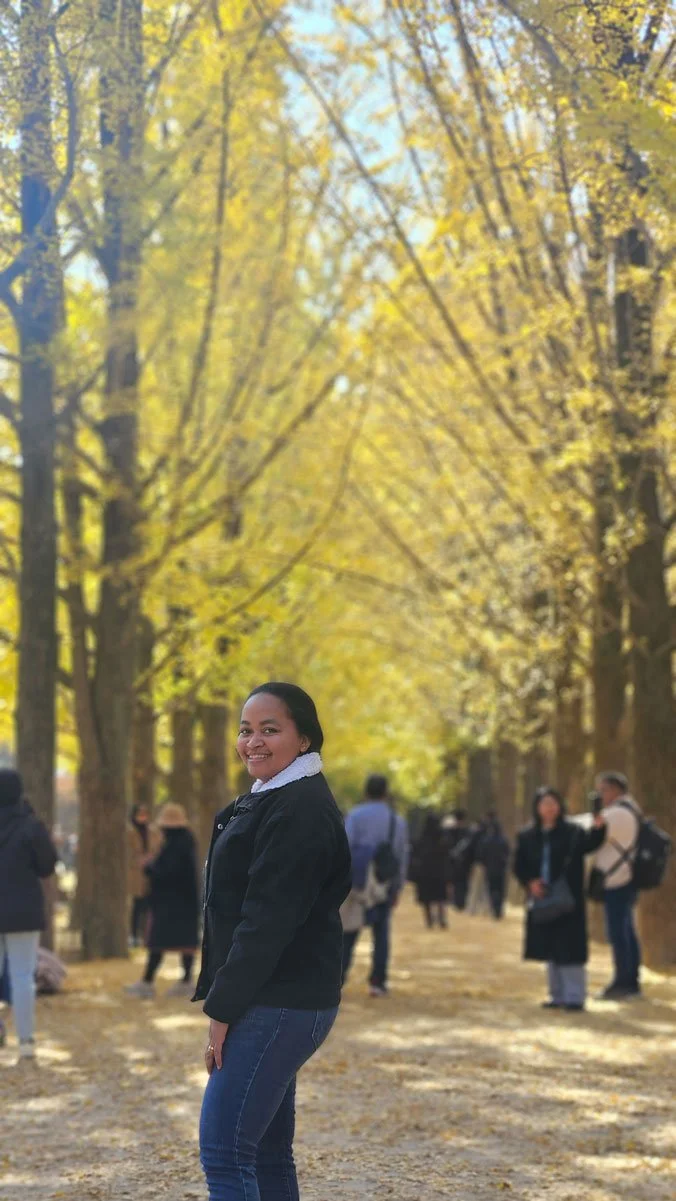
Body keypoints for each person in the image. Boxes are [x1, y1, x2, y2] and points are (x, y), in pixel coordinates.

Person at [193, 682, 351, 1201]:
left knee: (224, 1153)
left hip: (278, 1001)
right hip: (277, 998)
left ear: (304, 739)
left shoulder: (298, 809)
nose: (253, 741)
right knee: (263, 1155)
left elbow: (267, 922)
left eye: (269, 729)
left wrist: (222, 1009)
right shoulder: (275, 797)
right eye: (245, 730)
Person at [514, 788, 605, 1011]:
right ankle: (557, 995)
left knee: (571, 948)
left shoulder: (573, 832)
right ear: (537, 807)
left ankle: (575, 997)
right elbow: (518, 865)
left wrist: (599, 827)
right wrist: (530, 882)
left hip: (568, 898)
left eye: (553, 803)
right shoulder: (527, 836)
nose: (549, 808)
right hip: (542, 898)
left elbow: (590, 844)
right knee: (550, 947)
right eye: (544, 803)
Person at [0, 768, 58, 1060]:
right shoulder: (30, 825)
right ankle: (26, 1042)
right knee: (22, 976)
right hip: (23, 909)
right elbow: (47, 865)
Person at [342, 774, 409, 997]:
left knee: (348, 932)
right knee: (381, 934)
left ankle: (337, 980)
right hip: (383, 883)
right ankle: (377, 982)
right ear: (385, 793)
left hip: (357, 883)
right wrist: (398, 886)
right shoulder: (396, 820)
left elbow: (344, 847)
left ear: (366, 791)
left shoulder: (356, 815)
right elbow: (400, 855)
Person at [125, 804, 199, 999]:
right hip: (185, 902)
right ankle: (186, 980)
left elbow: (165, 872)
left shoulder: (175, 846)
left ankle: (148, 982)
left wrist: (149, 866)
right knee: (185, 942)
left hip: (169, 903)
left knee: (157, 942)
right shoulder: (186, 842)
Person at [594, 771, 643, 1000]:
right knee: (627, 931)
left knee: (618, 932)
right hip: (626, 878)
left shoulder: (617, 813)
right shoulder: (631, 810)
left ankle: (623, 981)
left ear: (615, 790)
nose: (599, 795)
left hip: (618, 880)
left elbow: (589, 828)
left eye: (602, 789)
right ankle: (630, 980)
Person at [410, 813, 450, 928]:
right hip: (439, 873)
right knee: (441, 898)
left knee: (427, 898)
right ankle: (442, 919)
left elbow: (415, 855)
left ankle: (429, 920)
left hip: (425, 873)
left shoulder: (421, 838)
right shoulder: (442, 839)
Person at [127, 803, 157, 947]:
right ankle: (133, 935)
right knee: (136, 905)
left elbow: (156, 848)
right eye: (140, 814)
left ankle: (145, 934)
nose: (143, 817)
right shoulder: (130, 832)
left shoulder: (151, 831)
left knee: (147, 905)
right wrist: (137, 860)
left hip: (149, 873)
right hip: (136, 873)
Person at [475, 812, 510, 920]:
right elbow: (508, 853)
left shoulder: (486, 841)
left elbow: (480, 855)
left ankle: (494, 909)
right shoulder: (504, 840)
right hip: (501, 869)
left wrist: (484, 863)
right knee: (500, 889)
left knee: (492, 889)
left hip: (489, 869)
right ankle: (499, 909)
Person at [445, 809, 473, 911]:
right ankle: (461, 902)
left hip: (452, 862)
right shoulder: (468, 832)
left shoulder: (448, 832)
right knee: (463, 883)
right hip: (465, 863)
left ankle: (456, 901)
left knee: (454, 882)